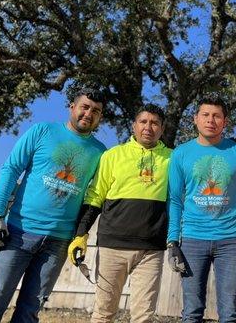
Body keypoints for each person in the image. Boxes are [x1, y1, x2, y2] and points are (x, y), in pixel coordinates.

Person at [0, 87, 107, 323]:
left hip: (58, 241)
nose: (89, 113)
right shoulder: (42, 131)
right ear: (72, 107)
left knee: (30, 311)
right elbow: (11, 169)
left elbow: (94, 196)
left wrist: (80, 235)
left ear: (100, 117)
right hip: (18, 232)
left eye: (95, 110)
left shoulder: (100, 152)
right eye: (84, 107)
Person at [68, 103, 172, 323]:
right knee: (104, 313)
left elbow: (180, 202)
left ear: (162, 129)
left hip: (151, 250)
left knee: (143, 317)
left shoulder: (173, 159)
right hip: (111, 246)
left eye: (155, 123)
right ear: (134, 125)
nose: (148, 127)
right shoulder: (112, 155)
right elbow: (95, 196)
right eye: (143, 121)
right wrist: (81, 234)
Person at [166, 94, 236, 323]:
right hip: (192, 239)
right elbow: (175, 200)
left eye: (217, 116)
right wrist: (172, 241)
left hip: (231, 240)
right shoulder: (180, 154)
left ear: (225, 121)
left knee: (229, 312)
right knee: (191, 311)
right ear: (195, 119)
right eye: (205, 115)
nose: (211, 120)